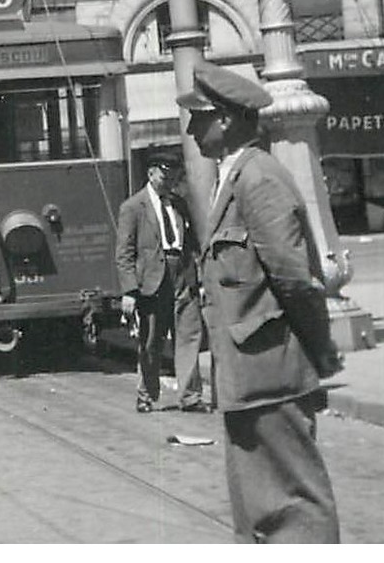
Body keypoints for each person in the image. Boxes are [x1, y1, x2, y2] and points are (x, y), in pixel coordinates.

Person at [178, 58, 342, 543]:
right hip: (250, 373)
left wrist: (319, 351)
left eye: (199, 116)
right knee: (262, 510)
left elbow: (294, 280)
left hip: (272, 371)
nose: (191, 127)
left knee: (294, 502)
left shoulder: (259, 178)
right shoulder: (235, 177)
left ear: (227, 120)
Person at [114, 150, 206, 413]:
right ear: (151, 173)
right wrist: (129, 290)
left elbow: (192, 242)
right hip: (152, 282)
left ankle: (190, 396)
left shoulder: (179, 204)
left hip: (182, 275)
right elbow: (124, 252)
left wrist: (197, 274)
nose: (169, 182)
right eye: (164, 176)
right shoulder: (132, 207)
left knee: (188, 336)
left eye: (173, 176)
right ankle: (146, 395)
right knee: (152, 340)